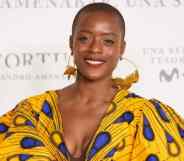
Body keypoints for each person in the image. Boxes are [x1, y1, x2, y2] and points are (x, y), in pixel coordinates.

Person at [0, 2, 184, 161]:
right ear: (71, 43)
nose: (95, 48)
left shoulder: (145, 116)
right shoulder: (33, 112)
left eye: (108, 41)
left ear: (122, 48)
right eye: (84, 38)